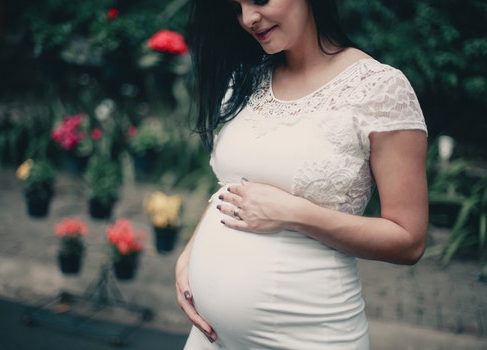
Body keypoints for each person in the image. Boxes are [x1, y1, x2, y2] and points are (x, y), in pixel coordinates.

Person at [176, 0, 428, 348]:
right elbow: (233, 186)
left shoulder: (380, 89)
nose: (248, 19)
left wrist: (294, 214)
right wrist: (190, 254)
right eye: (236, 7)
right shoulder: (249, 78)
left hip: (308, 335)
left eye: (260, 0)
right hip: (211, 339)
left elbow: (409, 241)